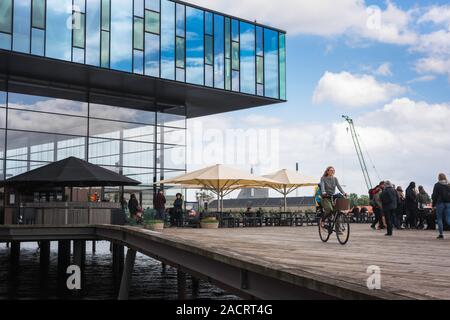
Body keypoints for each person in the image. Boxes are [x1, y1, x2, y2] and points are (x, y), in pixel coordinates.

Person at [432, 173, 450, 239]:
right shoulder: (449, 184)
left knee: (439, 219)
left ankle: (441, 234)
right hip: (448, 203)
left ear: (439, 177)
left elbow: (434, 196)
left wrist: (433, 205)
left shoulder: (437, 185)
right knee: (448, 219)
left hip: (440, 203)